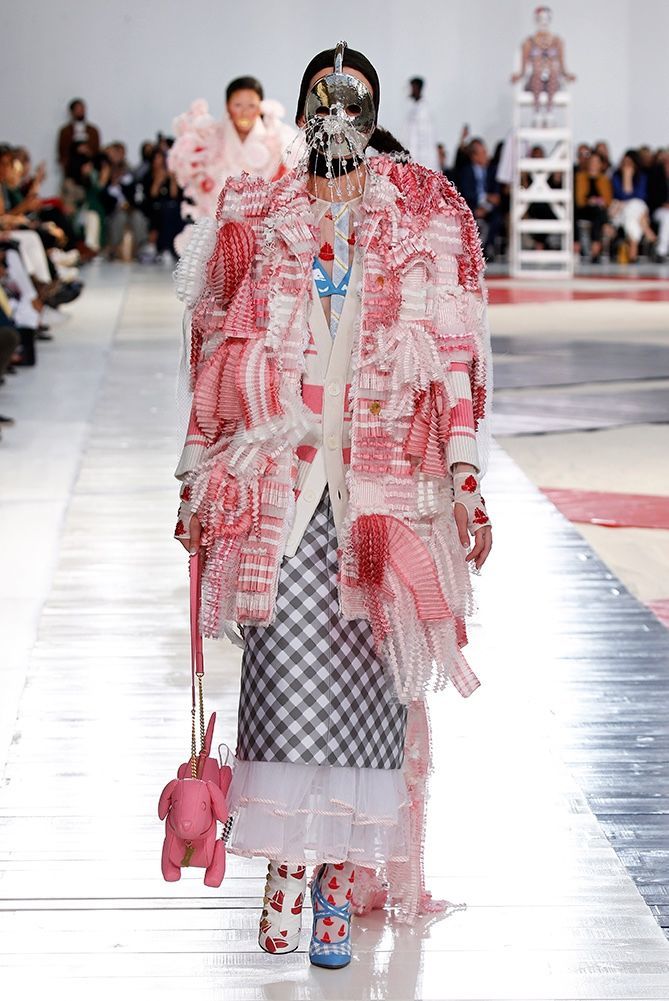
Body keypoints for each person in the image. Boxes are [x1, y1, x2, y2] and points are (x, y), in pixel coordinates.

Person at [173, 40, 492, 970]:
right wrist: (193, 475)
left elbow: (453, 358)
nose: (338, 115)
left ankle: (336, 887)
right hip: (280, 485)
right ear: (303, 105)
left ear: (375, 111)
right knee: (281, 679)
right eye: (324, 96)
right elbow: (214, 354)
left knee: (370, 695)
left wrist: (465, 480)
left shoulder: (423, 216)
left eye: (354, 100)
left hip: (385, 497)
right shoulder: (256, 213)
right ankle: (283, 869)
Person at [168, 77, 296, 225]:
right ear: (227, 106)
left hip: (264, 228)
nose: (244, 112)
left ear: (260, 107)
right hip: (216, 224)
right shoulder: (209, 139)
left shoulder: (279, 142)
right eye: (238, 105)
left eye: (251, 105)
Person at [511, 5, 576, 121]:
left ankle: (549, 111)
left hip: (553, 82)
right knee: (537, 70)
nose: (543, 22)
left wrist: (567, 75)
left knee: (553, 71)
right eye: (540, 19)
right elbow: (523, 68)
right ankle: (537, 111)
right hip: (534, 82)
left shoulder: (557, 42)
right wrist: (518, 76)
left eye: (546, 19)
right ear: (536, 20)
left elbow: (562, 67)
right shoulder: (529, 42)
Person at [454, 126, 502, 260]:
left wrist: (488, 204)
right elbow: (465, 193)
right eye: (483, 152)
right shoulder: (466, 171)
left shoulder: (492, 170)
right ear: (474, 156)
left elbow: (496, 194)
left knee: (497, 218)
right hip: (472, 206)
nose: (487, 155)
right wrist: (478, 206)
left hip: (489, 208)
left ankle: (486, 251)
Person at [610, 150, 656, 262]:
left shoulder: (642, 177)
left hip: (634, 208)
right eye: (624, 163)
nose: (626, 166)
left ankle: (633, 245)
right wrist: (626, 178)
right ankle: (645, 231)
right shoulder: (616, 176)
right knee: (631, 211)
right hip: (620, 211)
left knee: (633, 207)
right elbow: (620, 196)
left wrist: (628, 179)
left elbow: (640, 196)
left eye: (629, 163)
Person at [575, 151, 612, 262]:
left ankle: (596, 244)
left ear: (601, 164)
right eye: (591, 162)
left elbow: (607, 201)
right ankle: (596, 244)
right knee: (598, 211)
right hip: (582, 210)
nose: (593, 164)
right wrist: (590, 201)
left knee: (599, 211)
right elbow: (579, 200)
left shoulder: (604, 180)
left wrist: (599, 201)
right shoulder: (580, 177)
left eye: (596, 162)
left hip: (599, 211)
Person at [57, 99, 101, 178]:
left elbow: (97, 149)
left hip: (89, 166)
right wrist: (76, 149)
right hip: (71, 168)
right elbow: (62, 150)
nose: (81, 111)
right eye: (78, 109)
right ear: (72, 112)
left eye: (82, 109)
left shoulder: (93, 131)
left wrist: (88, 151)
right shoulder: (65, 131)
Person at [405, 76, 438, 170]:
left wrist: (417, 163)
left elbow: (423, 139)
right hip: (414, 160)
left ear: (417, 88)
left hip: (423, 161)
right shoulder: (415, 108)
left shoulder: (423, 111)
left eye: (412, 87)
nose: (410, 90)